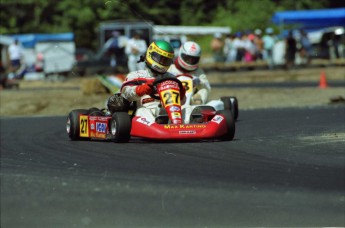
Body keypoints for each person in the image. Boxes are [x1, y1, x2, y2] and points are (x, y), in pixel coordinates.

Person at [107, 40, 181, 123]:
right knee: (141, 111)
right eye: (159, 58)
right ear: (150, 54)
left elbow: (182, 101)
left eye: (165, 60)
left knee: (188, 109)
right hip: (145, 109)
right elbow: (125, 94)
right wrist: (141, 90)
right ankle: (155, 129)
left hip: (169, 110)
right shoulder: (136, 75)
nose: (162, 62)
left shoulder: (171, 77)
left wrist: (181, 93)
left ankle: (183, 126)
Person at [168, 41, 211, 105]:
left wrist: (199, 82)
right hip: (172, 97)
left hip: (192, 100)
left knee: (204, 90)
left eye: (193, 59)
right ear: (180, 53)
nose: (190, 61)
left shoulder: (199, 72)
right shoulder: (170, 68)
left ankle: (196, 106)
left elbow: (207, 87)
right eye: (187, 58)